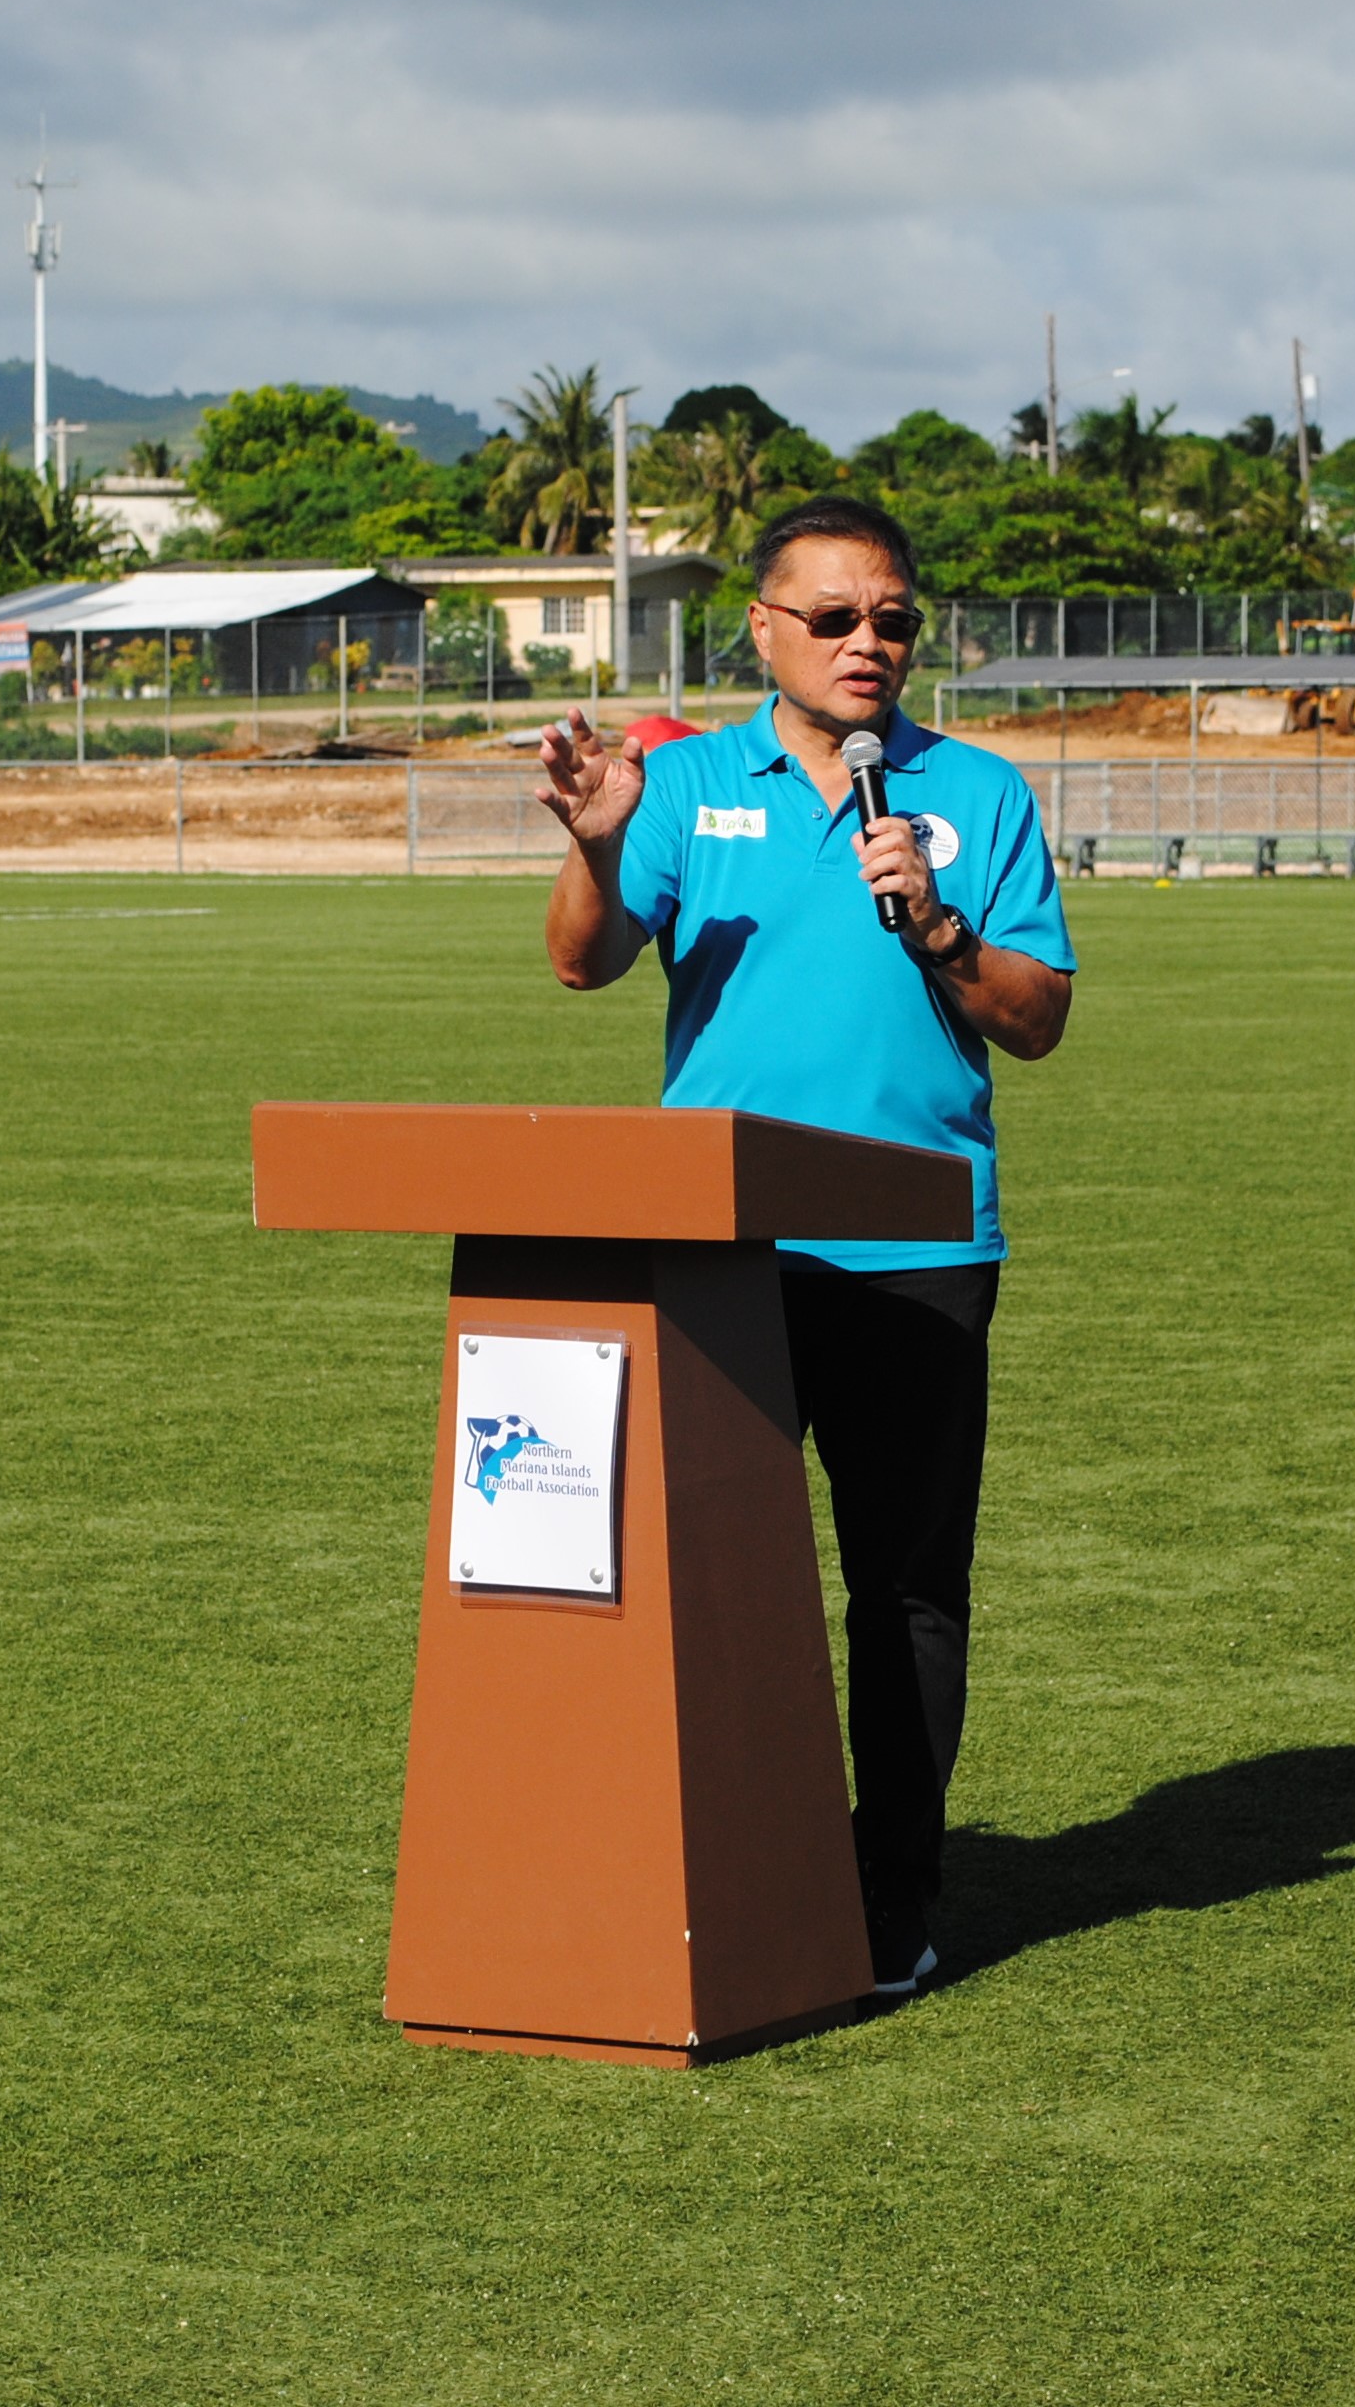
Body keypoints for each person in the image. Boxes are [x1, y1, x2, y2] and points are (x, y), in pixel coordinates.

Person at [536, 494, 1075, 1996]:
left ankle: (889, 1906)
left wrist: (943, 929)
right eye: (831, 618)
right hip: (722, 1253)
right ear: (761, 629)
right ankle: (721, 1881)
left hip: (917, 1253)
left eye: (891, 618)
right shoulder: (681, 782)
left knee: (907, 1590)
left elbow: (1040, 1023)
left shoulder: (977, 795)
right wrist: (593, 843)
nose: (866, 644)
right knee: (707, 1578)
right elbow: (584, 962)